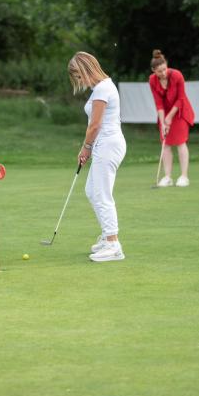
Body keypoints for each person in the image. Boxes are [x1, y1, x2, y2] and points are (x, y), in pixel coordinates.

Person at [68, 52, 126, 262]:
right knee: (92, 191)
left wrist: (86, 148)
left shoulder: (102, 88)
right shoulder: (101, 87)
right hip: (104, 144)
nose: (79, 81)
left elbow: (95, 125)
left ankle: (113, 244)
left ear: (84, 69)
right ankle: (106, 236)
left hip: (108, 144)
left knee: (101, 194)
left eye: (78, 76)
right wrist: (90, 148)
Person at [148, 49, 195, 187]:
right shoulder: (152, 81)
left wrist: (169, 117)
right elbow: (158, 103)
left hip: (179, 111)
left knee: (180, 142)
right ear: (153, 71)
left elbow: (180, 99)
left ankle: (184, 176)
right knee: (166, 143)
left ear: (166, 65)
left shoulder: (177, 76)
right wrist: (163, 122)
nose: (163, 73)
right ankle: (167, 177)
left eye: (164, 69)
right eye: (159, 71)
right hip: (164, 112)